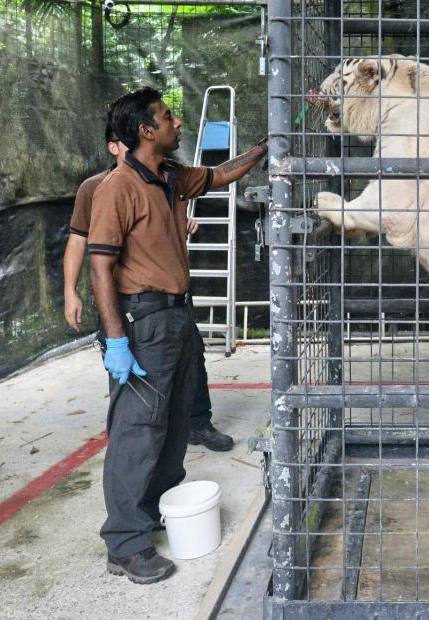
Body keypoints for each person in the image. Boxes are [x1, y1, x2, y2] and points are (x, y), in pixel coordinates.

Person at [87, 87, 266, 584]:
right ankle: (124, 543)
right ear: (146, 131)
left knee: (172, 429)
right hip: (143, 320)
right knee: (136, 433)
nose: (178, 123)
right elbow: (100, 267)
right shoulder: (116, 188)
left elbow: (222, 173)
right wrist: (117, 340)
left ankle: (155, 513)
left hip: (176, 315)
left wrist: (268, 145)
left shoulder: (168, 177)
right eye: (168, 117)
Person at [63, 121, 234, 453]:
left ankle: (197, 425)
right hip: (129, 303)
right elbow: (78, 242)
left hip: (172, 298)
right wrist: (70, 290)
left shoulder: (167, 177)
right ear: (115, 146)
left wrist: (179, 223)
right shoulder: (99, 187)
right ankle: (137, 444)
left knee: (192, 359)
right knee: (136, 380)